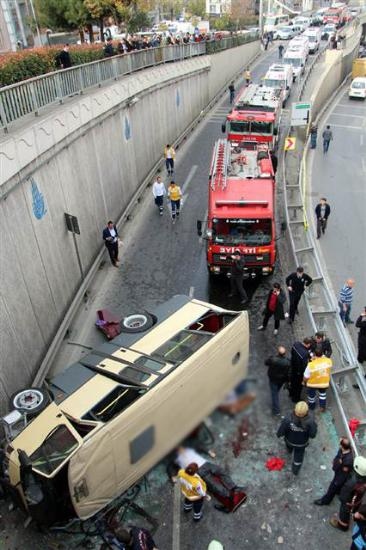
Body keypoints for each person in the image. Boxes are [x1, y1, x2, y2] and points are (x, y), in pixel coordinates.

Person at [277, 401, 317, 475]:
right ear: (307, 411)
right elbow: (312, 435)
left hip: (289, 440)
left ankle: (289, 451)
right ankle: (295, 471)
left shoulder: (288, 418)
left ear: (295, 409)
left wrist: (279, 434)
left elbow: (282, 428)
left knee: (289, 447)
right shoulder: (310, 421)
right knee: (298, 459)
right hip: (301, 445)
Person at [330, 455, 366, 532]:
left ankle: (343, 525)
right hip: (357, 499)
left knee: (344, 513)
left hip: (348, 502)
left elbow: (343, 496)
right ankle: (353, 512)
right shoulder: (363, 479)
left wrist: (342, 500)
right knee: (353, 509)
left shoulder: (352, 483)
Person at [314, 437, 354, 506]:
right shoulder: (342, 450)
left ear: (342, 446)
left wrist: (338, 463)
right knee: (337, 487)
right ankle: (338, 491)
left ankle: (325, 501)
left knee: (332, 488)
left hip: (340, 477)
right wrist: (335, 461)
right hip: (338, 472)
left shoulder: (348, 460)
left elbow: (344, 471)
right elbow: (338, 456)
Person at [303, 346, 332, 411]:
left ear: (314, 354)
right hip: (323, 382)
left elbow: (305, 377)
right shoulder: (328, 361)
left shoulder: (311, 365)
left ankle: (312, 406)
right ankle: (322, 407)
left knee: (311, 396)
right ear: (323, 354)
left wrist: (304, 382)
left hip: (312, 384)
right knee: (322, 395)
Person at [265, 345, 291, 415]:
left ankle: (276, 410)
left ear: (278, 352)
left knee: (274, 394)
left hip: (273, 379)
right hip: (281, 380)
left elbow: (266, 362)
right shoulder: (288, 362)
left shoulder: (273, 359)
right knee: (276, 391)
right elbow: (289, 372)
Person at [289, 338, 312, 403]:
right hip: (299, 372)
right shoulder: (305, 353)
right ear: (308, 344)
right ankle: (295, 399)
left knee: (292, 382)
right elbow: (304, 366)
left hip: (293, 366)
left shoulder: (296, 344)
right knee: (298, 387)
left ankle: (291, 393)